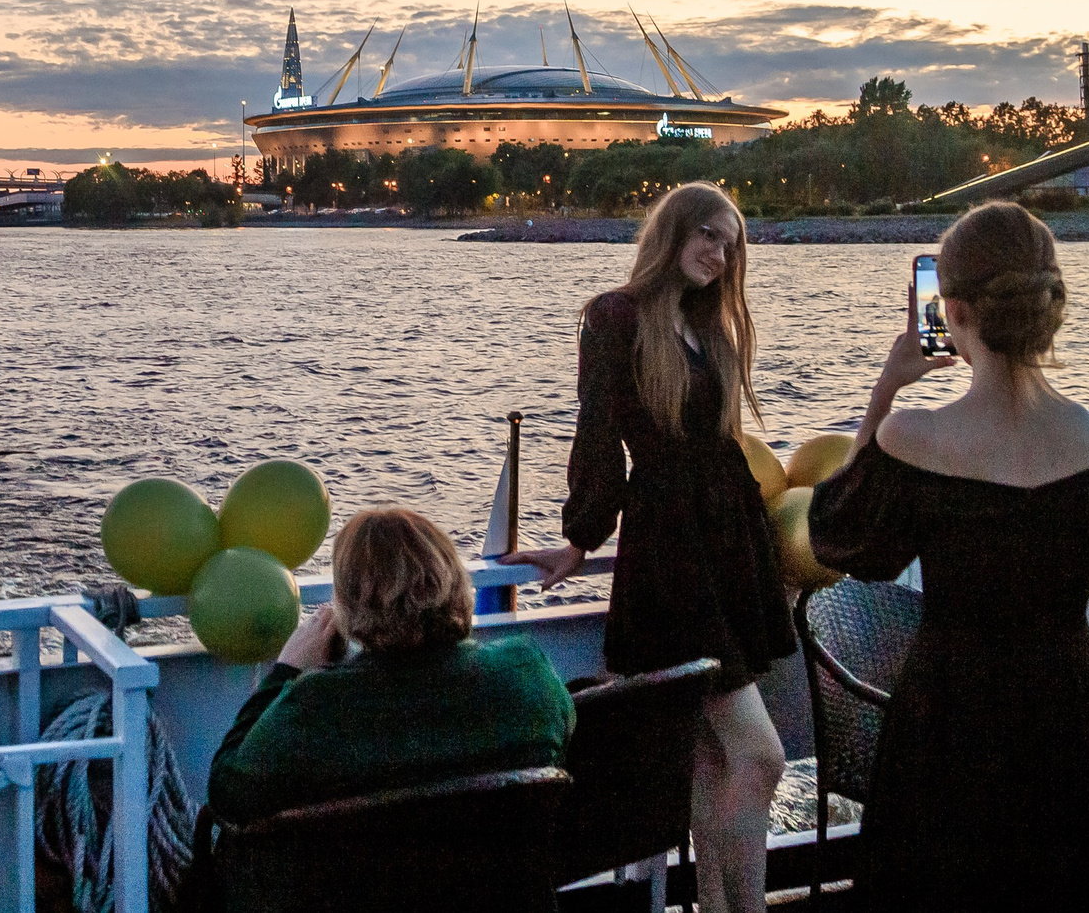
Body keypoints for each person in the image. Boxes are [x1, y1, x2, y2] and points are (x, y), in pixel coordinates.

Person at [807, 201, 1089, 911]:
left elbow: (839, 536)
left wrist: (886, 388)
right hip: (1071, 708)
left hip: (951, 719)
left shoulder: (915, 438)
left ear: (954, 311)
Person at [513, 181, 791, 913]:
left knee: (708, 756)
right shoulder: (616, 316)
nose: (719, 254)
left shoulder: (713, 324)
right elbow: (598, 435)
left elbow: (724, 446)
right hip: (674, 552)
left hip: (729, 539)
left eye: (730, 243)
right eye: (707, 235)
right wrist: (580, 537)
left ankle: (715, 903)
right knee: (762, 757)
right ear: (672, 235)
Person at [206, 505, 574, 826]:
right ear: (454, 581)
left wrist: (286, 671)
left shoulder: (315, 707)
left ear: (348, 603)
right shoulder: (526, 672)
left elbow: (228, 794)